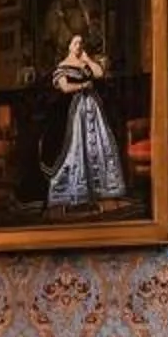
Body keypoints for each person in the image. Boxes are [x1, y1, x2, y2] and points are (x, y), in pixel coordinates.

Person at [42, 31, 132, 212]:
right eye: (76, 43)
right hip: (74, 110)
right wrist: (83, 85)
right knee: (77, 144)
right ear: (68, 46)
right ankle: (76, 190)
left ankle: (102, 189)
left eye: (81, 44)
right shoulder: (62, 66)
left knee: (99, 142)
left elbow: (99, 73)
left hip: (92, 107)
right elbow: (65, 88)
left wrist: (88, 59)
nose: (79, 47)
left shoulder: (85, 63)